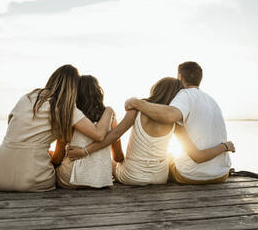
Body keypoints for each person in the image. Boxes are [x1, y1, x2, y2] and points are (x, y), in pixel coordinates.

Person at [68, 77, 234, 186]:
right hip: (160, 178)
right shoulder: (175, 120)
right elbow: (196, 155)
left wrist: (85, 151)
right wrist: (224, 148)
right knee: (170, 157)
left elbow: (114, 135)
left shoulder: (136, 110)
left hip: (131, 177)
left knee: (114, 162)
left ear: (156, 90)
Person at [0, 65, 114, 192]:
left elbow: (12, 126)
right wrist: (109, 110)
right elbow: (99, 135)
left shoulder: (27, 97)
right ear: (74, 88)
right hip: (34, 179)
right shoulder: (66, 108)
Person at [124, 61, 233, 184]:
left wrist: (138, 103)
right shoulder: (212, 101)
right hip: (221, 174)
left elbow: (170, 115)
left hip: (192, 176)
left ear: (179, 77)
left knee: (166, 160)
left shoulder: (184, 95)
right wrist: (225, 147)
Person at [53, 75, 124, 189]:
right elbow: (118, 157)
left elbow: (58, 157)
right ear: (99, 93)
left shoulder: (71, 117)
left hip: (70, 179)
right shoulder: (111, 119)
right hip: (99, 180)